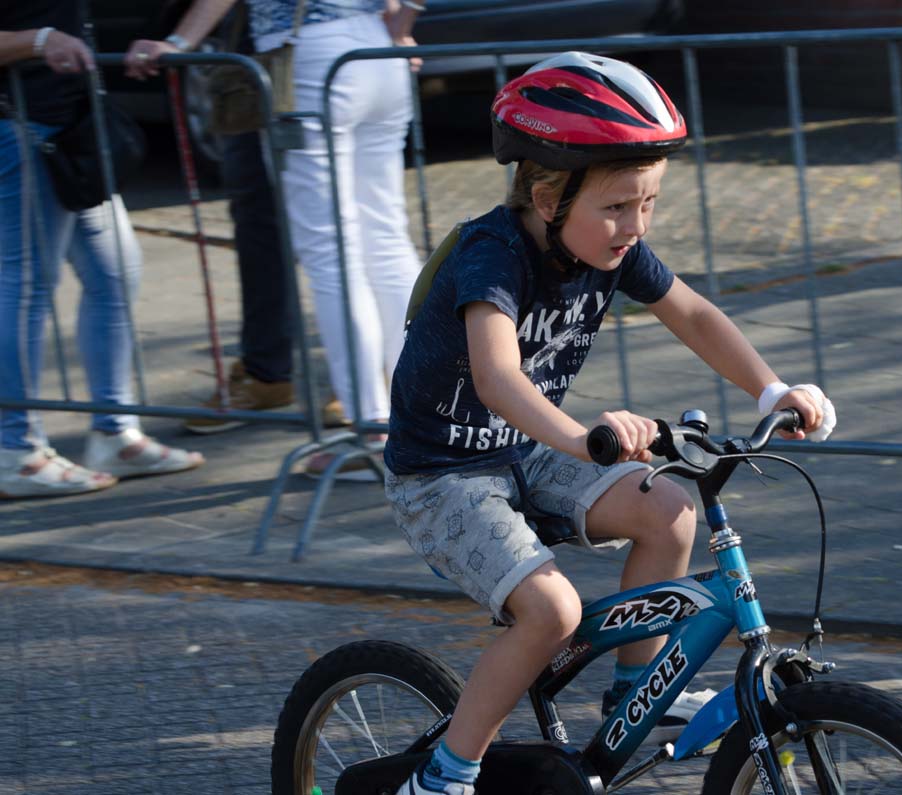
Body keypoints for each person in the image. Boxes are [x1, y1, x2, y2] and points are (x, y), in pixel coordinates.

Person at [383, 52, 837, 795]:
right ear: (547, 197)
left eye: (649, 202)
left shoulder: (610, 249)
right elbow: (497, 377)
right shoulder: (491, 254)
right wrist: (580, 438)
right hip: (442, 475)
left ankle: (633, 694)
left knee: (670, 509)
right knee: (552, 611)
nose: (636, 225)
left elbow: (693, 313)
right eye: (620, 206)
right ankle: (445, 774)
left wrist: (771, 390)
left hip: (525, 451)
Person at [125, 0, 425, 476]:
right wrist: (401, 23)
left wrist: (179, 42)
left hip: (310, 52)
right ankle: (417, 420)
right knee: (386, 239)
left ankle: (374, 433)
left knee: (333, 253)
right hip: (375, 47)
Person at [0, 5, 204, 499]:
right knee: (25, 286)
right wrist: (39, 40)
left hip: (69, 129)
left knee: (115, 272)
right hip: (20, 125)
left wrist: (168, 41)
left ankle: (115, 432)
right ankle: (14, 450)